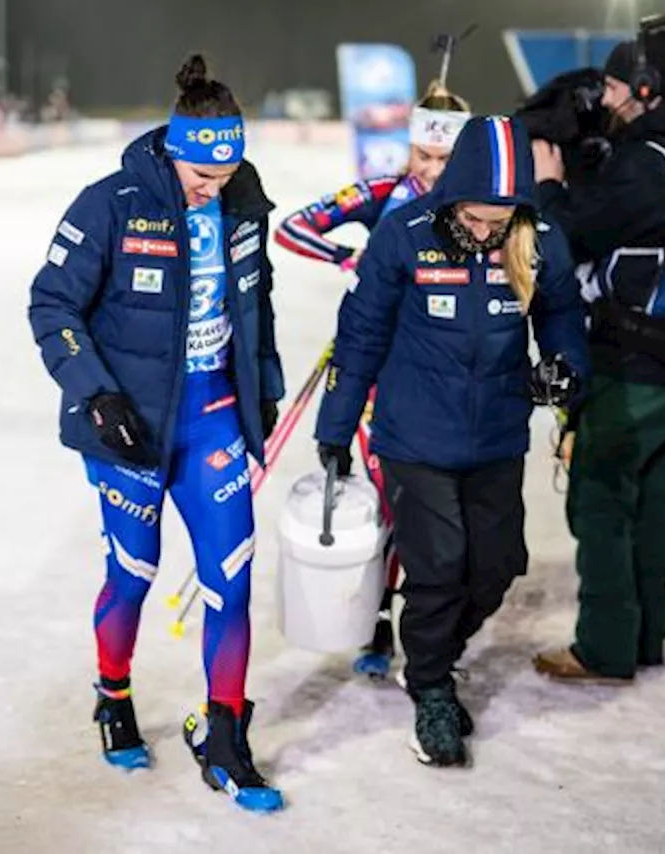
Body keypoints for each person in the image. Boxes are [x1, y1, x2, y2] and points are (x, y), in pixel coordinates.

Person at [27, 54, 286, 813]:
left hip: (211, 421)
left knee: (231, 581)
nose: (215, 189)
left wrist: (261, 395)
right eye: (202, 177)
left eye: (227, 173)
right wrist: (97, 396)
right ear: (174, 150)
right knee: (133, 575)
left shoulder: (244, 203)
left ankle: (227, 733)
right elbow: (51, 306)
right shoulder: (109, 203)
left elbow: (255, 308)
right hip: (131, 428)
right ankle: (113, 695)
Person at [314, 114, 590, 767]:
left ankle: (435, 652)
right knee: (437, 570)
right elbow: (359, 337)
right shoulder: (402, 237)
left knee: (496, 567)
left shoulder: (536, 237)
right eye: (475, 218)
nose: (485, 231)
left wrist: (564, 367)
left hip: (497, 431)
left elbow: (562, 317)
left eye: (499, 220)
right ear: (454, 194)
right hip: (414, 434)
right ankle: (432, 686)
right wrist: (335, 428)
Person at [529, 31, 665, 684]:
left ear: (645, 92)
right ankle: (646, 636)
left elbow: (569, 235)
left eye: (611, 87)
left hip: (635, 358)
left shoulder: (643, 165)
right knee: (652, 498)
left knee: (602, 498)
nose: (601, 99)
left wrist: (550, 186)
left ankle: (605, 647)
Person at [274, 80, 472, 680]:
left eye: (446, 159)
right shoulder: (382, 192)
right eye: (424, 156)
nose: (433, 171)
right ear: (409, 149)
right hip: (379, 374)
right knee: (393, 499)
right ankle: (380, 615)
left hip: (450, 380)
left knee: (446, 508)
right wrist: (350, 259)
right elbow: (294, 227)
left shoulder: (480, 204)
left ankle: (436, 615)